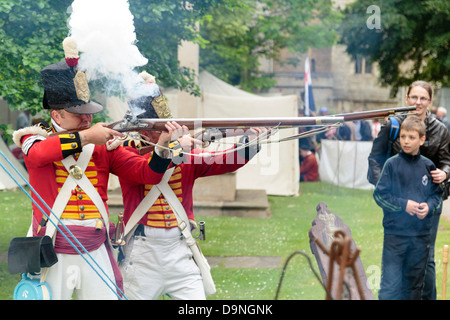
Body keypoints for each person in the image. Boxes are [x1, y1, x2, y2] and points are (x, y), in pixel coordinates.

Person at [11, 38, 175, 300]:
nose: (87, 118)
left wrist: (163, 147)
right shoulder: (35, 137)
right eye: (78, 113)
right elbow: (39, 154)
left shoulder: (101, 142)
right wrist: (87, 137)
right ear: (56, 114)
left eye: (88, 112)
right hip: (52, 244)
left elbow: (147, 174)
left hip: (95, 244)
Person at [116, 76, 268, 300]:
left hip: (180, 247)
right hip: (141, 252)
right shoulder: (127, 154)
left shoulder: (184, 153)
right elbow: (148, 170)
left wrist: (251, 140)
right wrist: (175, 147)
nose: (172, 133)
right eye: (163, 130)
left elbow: (223, 160)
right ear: (144, 133)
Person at [368, 80, 450, 300]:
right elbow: (375, 159)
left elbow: (447, 162)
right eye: (414, 97)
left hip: (427, 207)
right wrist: (387, 190)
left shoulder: (440, 130)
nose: (418, 102)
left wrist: (445, 173)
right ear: (406, 98)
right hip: (398, 207)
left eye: (423, 98)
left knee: (426, 261)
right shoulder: (393, 125)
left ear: (430, 101)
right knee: (393, 270)